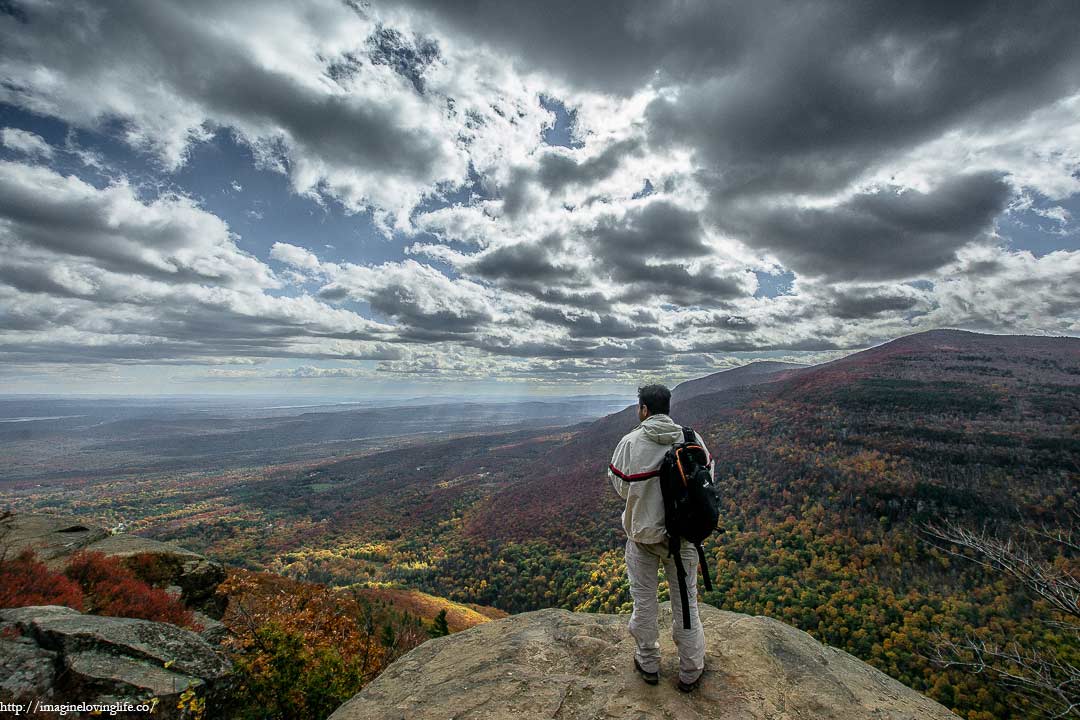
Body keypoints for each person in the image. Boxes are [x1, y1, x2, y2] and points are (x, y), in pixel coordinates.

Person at [607, 383, 711, 692]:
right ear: (667, 407)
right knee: (687, 604)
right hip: (685, 540)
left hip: (644, 538)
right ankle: (691, 670)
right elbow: (706, 483)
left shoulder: (630, 443)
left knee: (645, 603)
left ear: (643, 409)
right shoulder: (692, 439)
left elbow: (621, 487)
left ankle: (649, 662)